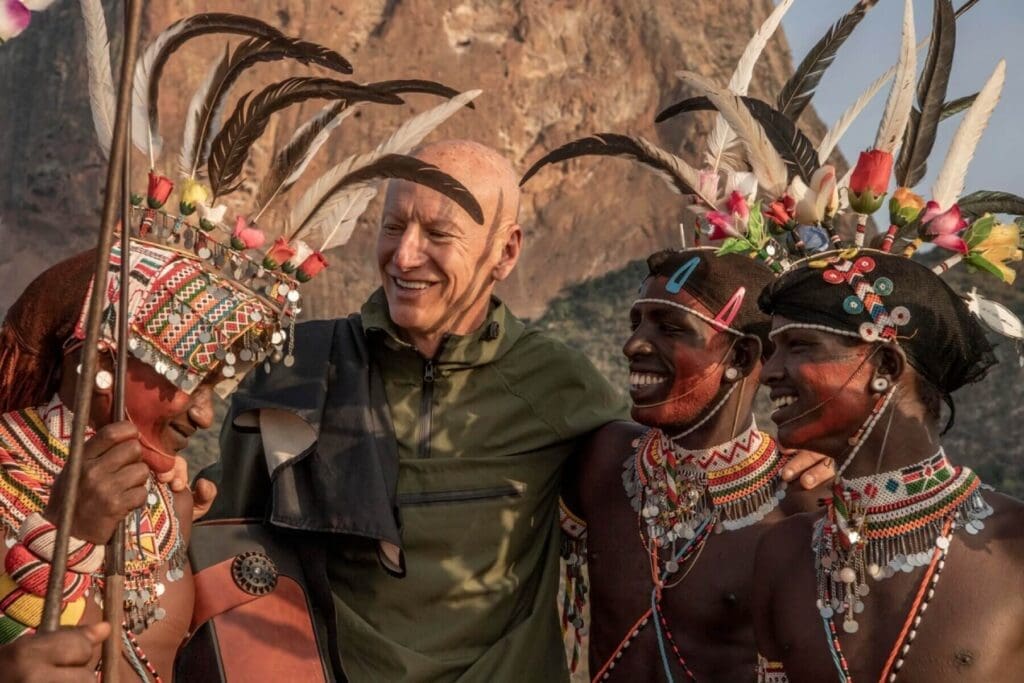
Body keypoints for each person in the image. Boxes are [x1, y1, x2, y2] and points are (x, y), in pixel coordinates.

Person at [0, 238, 286, 680]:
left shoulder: (174, 505)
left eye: (215, 388)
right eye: (192, 378)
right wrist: (68, 534)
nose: (205, 415)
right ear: (102, 361)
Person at [752, 248, 1024, 682]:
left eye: (798, 346)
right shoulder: (783, 553)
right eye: (771, 350)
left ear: (885, 366)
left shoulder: (1013, 546)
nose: (767, 373)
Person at [559, 248, 823, 681]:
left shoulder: (800, 502)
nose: (632, 345)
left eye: (670, 328)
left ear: (739, 357)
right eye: (636, 322)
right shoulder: (602, 458)